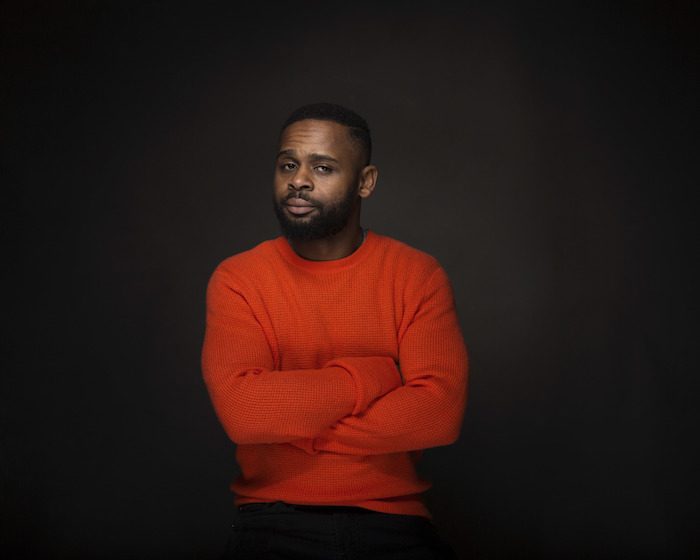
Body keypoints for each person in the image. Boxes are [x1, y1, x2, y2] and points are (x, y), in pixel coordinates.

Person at [201, 102, 469, 559]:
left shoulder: (416, 274)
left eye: (322, 167)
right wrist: (373, 378)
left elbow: (439, 414)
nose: (299, 180)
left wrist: (291, 425)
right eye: (288, 164)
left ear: (365, 181)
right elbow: (244, 413)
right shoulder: (238, 278)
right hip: (271, 520)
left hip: (394, 523)